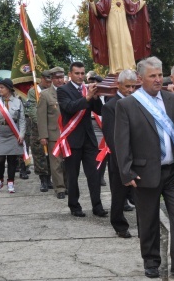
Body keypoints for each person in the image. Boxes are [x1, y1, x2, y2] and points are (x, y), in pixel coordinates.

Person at [115, 57, 174, 279]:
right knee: (148, 220)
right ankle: (151, 262)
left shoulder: (172, 100)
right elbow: (121, 141)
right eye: (152, 76)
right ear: (140, 78)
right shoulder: (127, 105)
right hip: (144, 172)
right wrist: (126, 172)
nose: (157, 79)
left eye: (159, 75)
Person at [56, 61, 107, 217]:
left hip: (89, 139)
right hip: (72, 140)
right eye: (77, 73)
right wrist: (87, 98)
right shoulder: (63, 90)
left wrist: (96, 97)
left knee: (94, 175)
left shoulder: (88, 89)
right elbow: (69, 107)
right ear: (70, 74)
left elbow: (99, 111)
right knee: (73, 175)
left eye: (82, 73)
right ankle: (74, 206)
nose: (80, 76)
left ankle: (97, 206)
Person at [88, 0, 151, 73]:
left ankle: (130, 67)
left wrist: (142, 0)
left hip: (124, 26)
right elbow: (98, 11)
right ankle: (117, 69)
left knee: (128, 44)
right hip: (112, 26)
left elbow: (134, 8)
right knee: (115, 45)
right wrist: (92, 2)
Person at [102, 69, 137, 238]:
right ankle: (119, 225)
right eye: (127, 86)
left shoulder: (138, 102)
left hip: (139, 156)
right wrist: (122, 161)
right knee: (119, 194)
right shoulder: (110, 107)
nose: (130, 90)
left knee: (139, 193)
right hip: (119, 158)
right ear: (118, 85)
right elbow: (111, 137)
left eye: (133, 86)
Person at [0, 78, 26, 193]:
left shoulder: (17, 102)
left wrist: (22, 134)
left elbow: (22, 120)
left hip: (13, 133)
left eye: (1, 87)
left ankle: (11, 182)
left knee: (12, 159)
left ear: (9, 89)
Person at [37, 67, 68, 199]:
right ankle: (59, 188)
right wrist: (43, 136)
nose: (59, 80)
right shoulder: (45, 95)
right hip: (54, 135)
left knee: (68, 163)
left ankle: (68, 185)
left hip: (69, 134)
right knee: (56, 163)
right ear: (52, 79)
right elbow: (41, 117)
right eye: (56, 78)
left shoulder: (69, 92)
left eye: (61, 77)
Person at [26, 69, 53, 191]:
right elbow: (31, 109)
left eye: (51, 81)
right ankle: (43, 180)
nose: (49, 83)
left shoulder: (53, 90)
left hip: (52, 126)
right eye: (47, 81)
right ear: (42, 79)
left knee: (52, 154)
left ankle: (50, 178)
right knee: (39, 154)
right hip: (37, 127)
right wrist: (42, 123)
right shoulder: (34, 92)